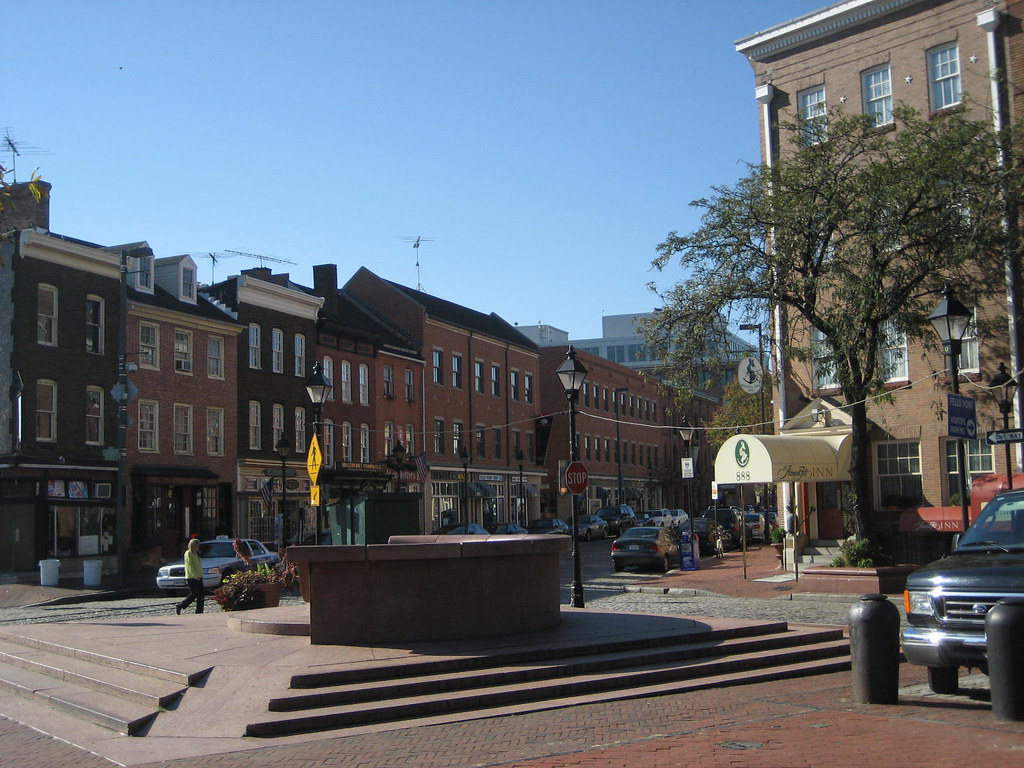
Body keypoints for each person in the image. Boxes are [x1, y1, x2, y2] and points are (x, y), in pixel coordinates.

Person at [176, 537, 204, 615]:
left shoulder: (197, 554)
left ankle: (199, 611)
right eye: (197, 545)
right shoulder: (188, 553)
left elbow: (198, 565)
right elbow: (189, 565)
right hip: (191, 577)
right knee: (193, 594)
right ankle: (181, 605)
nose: (198, 547)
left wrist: (200, 575)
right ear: (193, 545)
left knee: (201, 594)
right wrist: (195, 575)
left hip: (199, 576)